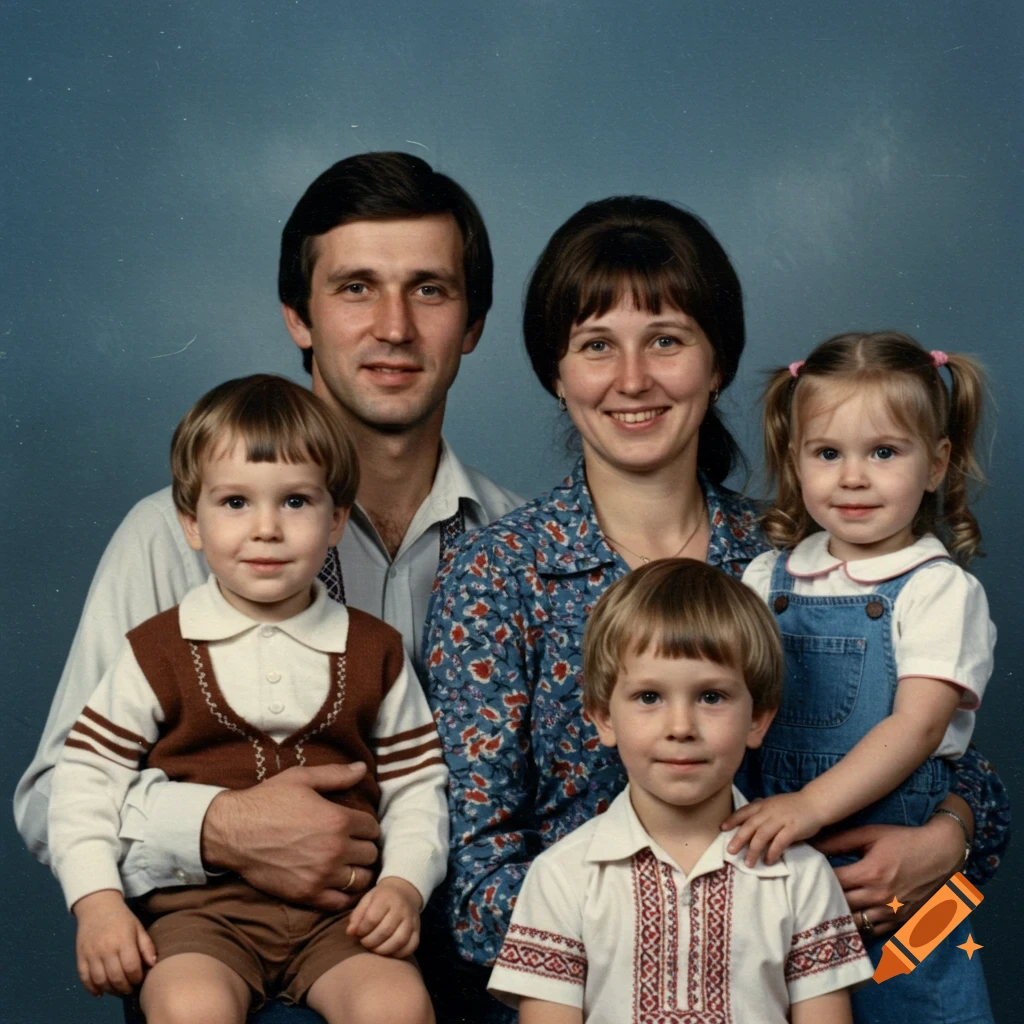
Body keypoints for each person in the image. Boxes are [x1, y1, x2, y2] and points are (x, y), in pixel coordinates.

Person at [423, 196, 1010, 1022]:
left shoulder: (794, 557)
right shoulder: (497, 576)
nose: (633, 379)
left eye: (666, 340)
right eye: (597, 345)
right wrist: (685, 950)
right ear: (557, 374)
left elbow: (946, 759)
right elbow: (477, 876)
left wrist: (949, 837)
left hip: (829, 969)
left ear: (718, 363)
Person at [14, 152, 518, 1022]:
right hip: (215, 950)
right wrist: (218, 828)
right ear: (298, 316)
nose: (394, 326)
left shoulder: (518, 541)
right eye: (356, 288)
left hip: (449, 963)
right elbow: (55, 794)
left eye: (430, 290)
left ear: (471, 324)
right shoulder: (166, 537)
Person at [49, 375, 446, 1022]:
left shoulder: (376, 650)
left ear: (336, 519)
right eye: (235, 502)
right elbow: (83, 780)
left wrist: (404, 885)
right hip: (200, 918)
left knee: (398, 1004)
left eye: (295, 501)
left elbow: (418, 787)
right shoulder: (157, 650)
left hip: (341, 919)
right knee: (188, 1004)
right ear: (191, 523)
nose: (266, 529)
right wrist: (97, 902)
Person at [727, 332, 995, 1022]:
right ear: (795, 460)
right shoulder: (765, 577)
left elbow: (918, 727)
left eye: (884, 452)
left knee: (929, 1002)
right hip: (781, 871)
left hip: (901, 886)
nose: (852, 477)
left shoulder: (939, 589)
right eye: (827, 453)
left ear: (936, 464)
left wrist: (810, 806)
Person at [487, 558, 873, 1023]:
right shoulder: (562, 877)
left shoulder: (802, 877)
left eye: (711, 697)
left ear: (757, 718)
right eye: (649, 697)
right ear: (604, 717)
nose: (681, 727)